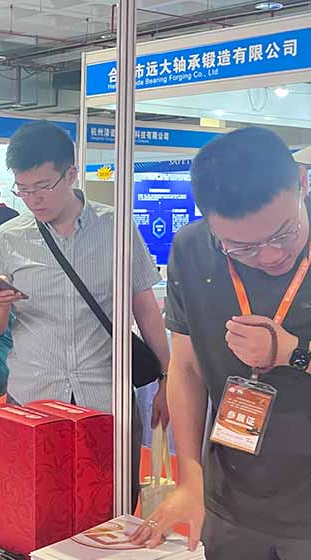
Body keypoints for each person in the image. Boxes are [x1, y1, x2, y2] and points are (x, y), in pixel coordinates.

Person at [132, 127, 311, 559]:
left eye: (284, 234)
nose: (270, 256)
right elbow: (187, 368)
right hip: (231, 500)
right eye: (243, 247)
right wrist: (190, 477)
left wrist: (293, 353)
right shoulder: (192, 249)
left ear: (302, 183)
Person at [0, 121, 171, 504]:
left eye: (43, 186)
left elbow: (146, 309)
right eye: (23, 189)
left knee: (110, 509)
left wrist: (167, 379)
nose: (34, 199)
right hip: (33, 400)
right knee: (35, 508)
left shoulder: (115, 228)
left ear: (71, 174)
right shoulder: (8, 238)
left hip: (106, 402)